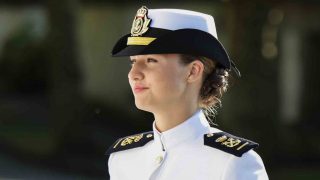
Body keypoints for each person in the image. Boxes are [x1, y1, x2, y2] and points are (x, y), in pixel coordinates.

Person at [106, 6, 269, 180]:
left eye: (151, 60)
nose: (134, 74)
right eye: (133, 62)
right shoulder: (122, 159)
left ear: (193, 71)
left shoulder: (232, 163)